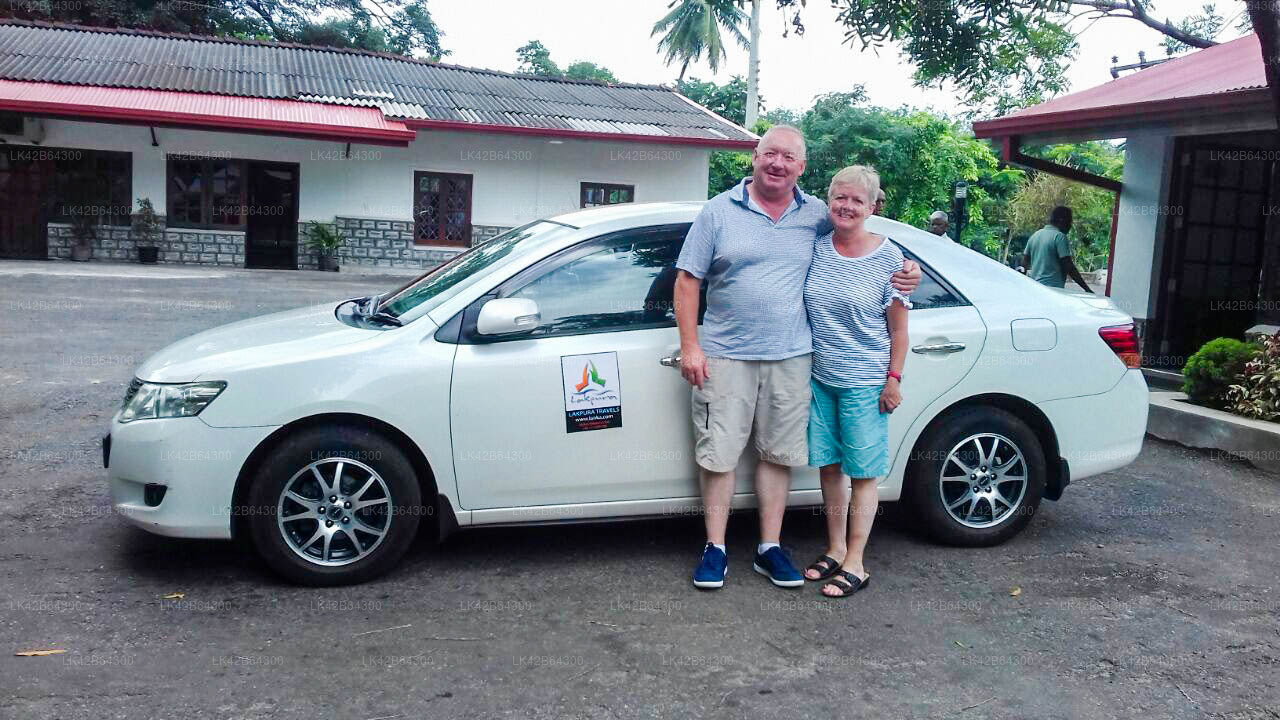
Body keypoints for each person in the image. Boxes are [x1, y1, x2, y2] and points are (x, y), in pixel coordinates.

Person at [673, 125, 920, 591]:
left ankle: (770, 547)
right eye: (770, 153)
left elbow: (866, 240)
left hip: (793, 357)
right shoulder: (718, 211)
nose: (778, 163)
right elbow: (687, 281)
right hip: (725, 354)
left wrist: (911, 270)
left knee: (777, 454)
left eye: (789, 157)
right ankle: (716, 548)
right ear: (755, 156)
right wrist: (690, 345)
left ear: (802, 168)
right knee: (720, 454)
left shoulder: (816, 215)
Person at [800, 165, 909, 598]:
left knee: (863, 474)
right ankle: (834, 547)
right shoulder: (817, 248)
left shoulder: (891, 259)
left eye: (856, 200)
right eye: (839, 197)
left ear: (872, 206)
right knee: (829, 468)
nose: (846, 206)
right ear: (829, 199)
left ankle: (856, 563)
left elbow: (899, 330)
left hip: (865, 381)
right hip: (820, 378)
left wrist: (893, 379)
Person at [1023, 206, 1093, 293]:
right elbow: (1068, 266)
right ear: (1062, 220)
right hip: (1052, 290)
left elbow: (1025, 262)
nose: (1070, 225)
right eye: (1069, 221)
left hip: (1035, 288)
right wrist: (1087, 289)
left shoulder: (1035, 235)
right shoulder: (1059, 237)